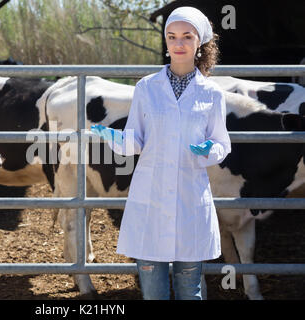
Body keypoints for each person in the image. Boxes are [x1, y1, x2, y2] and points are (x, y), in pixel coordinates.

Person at [90, 6, 231, 300]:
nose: (178, 44)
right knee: (153, 291)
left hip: (190, 199)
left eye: (187, 37)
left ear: (199, 43)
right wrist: (113, 137)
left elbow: (222, 144)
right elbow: (136, 141)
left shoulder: (212, 93)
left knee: (190, 288)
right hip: (149, 200)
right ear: (166, 42)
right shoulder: (146, 88)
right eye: (172, 37)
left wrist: (209, 150)